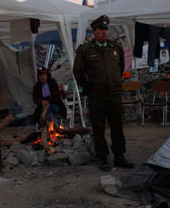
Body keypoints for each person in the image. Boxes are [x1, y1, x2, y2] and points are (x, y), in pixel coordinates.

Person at [73, 15, 134, 171]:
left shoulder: (116, 48)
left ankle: (119, 156)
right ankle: (102, 158)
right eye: (101, 29)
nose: (104, 32)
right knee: (98, 127)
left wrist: (116, 83)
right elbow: (77, 71)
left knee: (117, 126)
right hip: (97, 95)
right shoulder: (85, 50)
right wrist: (85, 88)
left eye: (106, 29)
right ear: (94, 31)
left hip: (114, 94)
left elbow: (121, 68)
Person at [32, 67, 67, 154]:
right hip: (42, 107)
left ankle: (46, 126)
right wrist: (41, 102)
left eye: (43, 75)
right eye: (40, 75)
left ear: (47, 75)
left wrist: (48, 102)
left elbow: (56, 96)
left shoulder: (52, 83)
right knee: (42, 112)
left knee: (49, 109)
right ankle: (48, 128)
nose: (42, 77)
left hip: (54, 105)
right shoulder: (37, 87)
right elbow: (35, 98)